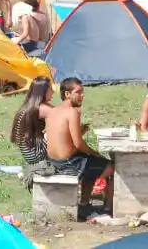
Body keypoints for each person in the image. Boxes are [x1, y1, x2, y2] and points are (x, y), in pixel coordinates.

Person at [46, 77, 113, 206]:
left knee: (92, 164)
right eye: (78, 92)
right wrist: (95, 153)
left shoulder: (53, 111)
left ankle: (84, 203)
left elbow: (64, 137)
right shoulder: (72, 112)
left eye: (83, 92)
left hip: (54, 161)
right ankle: (110, 208)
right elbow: (78, 143)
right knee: (113, 168)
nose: (82, 95)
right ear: (67, 94)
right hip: (70, 163)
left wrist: (81, 132)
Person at [11, 77, 55, 166]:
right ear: (43, 91)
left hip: (30, 155)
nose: (53, 91)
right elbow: (64, 117)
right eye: (51, 89)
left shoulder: (29, 106)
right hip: (38, 156)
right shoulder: (42, 108)